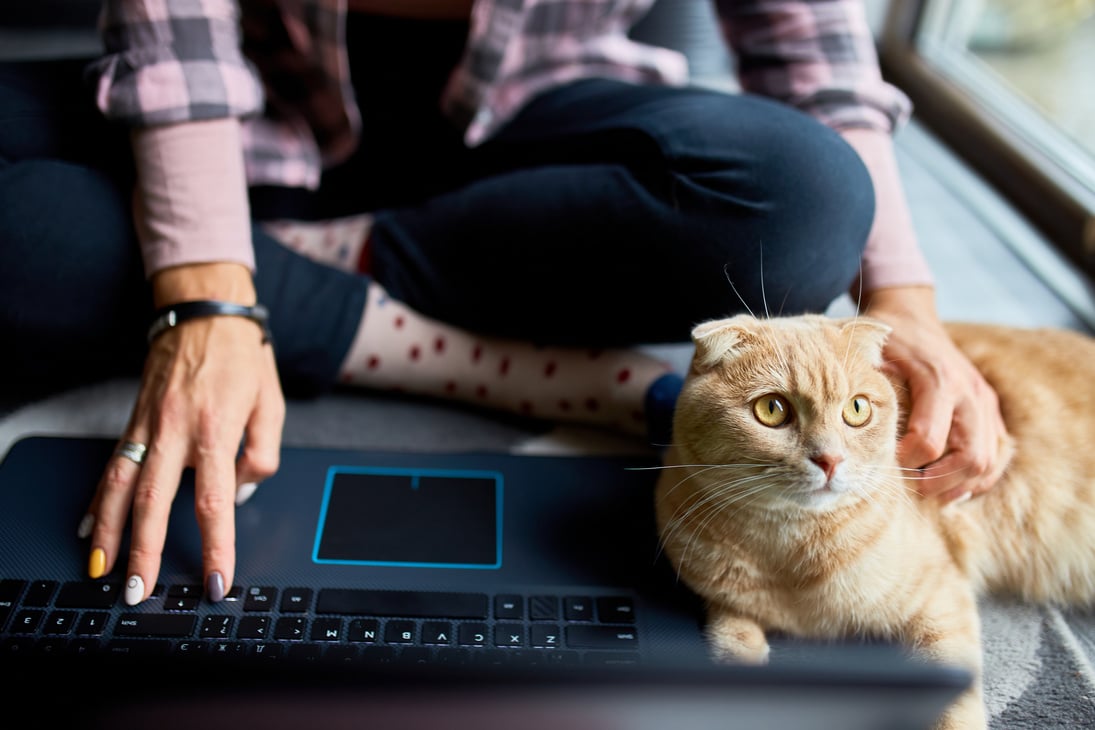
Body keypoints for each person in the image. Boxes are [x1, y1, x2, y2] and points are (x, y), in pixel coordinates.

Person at [0, 0, 1008, 607]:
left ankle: (306, 273)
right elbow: (172, 43)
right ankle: (352, 312)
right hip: (255, 126)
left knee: (805, 199)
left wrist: (905, 302)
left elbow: (814, 55)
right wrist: (207, 294)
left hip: (535, 158)